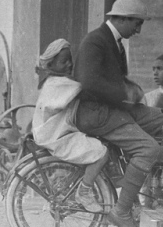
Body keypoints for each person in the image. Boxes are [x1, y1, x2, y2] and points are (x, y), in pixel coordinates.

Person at [73, 0, 163, 227]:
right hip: (95, 112)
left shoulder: (114, 42)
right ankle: (123, 210)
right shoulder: (95, 41)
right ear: (123, 19)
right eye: (137, 24)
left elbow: (115, 80)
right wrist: (123, 92)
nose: (138, 30)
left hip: (110, 108)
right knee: (149, 149)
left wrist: (132, 89)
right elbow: (88, 82)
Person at [33, 39, 108, 212]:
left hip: (56, 132)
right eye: (63, 61)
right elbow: (83, 88)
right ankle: (84, 191)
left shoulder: (55, 81)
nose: (69, 64)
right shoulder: (58, 83)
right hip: (55, 136)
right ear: (51, 64)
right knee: (102, 152)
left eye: (70, 60)